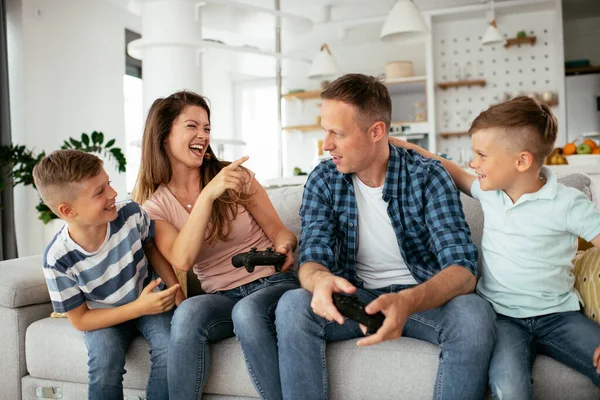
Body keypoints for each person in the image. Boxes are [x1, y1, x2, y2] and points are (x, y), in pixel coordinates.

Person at [274, 73, 496, 400]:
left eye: (338, 132)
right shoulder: (324, 179)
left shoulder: (427, 176)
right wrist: (319, 280)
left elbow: (463, 269)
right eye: (325, 130)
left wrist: (407, 301)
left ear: (376, 131)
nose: (327, 144)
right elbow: (312, 257)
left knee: (475, 316)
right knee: (293, 305)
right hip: (359, 298)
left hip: (422, 300)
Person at [390, 96, 600, 398]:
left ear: (522, 161)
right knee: (508, 387)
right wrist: (404, 146)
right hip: (502, 319)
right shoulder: (490, 193)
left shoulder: (568, 203)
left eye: (482, 155)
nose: (474, 163)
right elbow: (449, 167)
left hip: (560, 316)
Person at [131, 90, 299, 400]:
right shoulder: (155, 207)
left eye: (207, 128)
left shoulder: (236, 178)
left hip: (271, 282)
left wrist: (284, 247)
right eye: (192, 126)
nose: (203, 135)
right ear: (165, 136)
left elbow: (280, 232)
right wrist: (208, 195)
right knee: (188, 314)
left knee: (248, 312)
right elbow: (182, 258)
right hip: (221, 296)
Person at [34, 149, 182, 400]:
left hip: (148, 299)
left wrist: (175, 290)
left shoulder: (131, 214)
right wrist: (138, 308)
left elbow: (151, 247)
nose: (113, 194)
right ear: (68, 211)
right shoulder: (57, 260)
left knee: (171, 347)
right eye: (99, 192)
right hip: (103, 316)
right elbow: (81, 320)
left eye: (108, 184)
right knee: (104, 362)